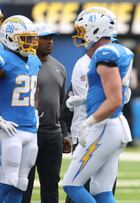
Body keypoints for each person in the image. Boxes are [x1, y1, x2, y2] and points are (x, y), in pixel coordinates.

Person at [62, 7, 133, 202]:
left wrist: (88, 122)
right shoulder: (119, 50)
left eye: (84, 29)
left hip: (103, 125)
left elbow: (115, 99)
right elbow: (112, 93)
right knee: (102, 190)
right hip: (114, 124)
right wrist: (85, 99)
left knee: (71, 185)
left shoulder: (105, 53)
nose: (80, 35)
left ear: (96, 29)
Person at [63, 34, 120, 203]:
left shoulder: (107, 64)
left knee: (79, 186)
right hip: (93, 131)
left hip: (100, 129)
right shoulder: (85, 65)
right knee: (95, 190)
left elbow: (114, 98)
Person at [21, 23, 70, 203]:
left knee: (51, 185)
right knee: (24, 183)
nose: (49, 42)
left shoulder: (60, 68)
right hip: (30, 132)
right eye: (45, 38)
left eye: (51, 38)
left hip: (53, 134)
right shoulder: (24, 65)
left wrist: (65, 133)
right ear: (34, 39)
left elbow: (62, 105)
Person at [0, 15, 40, 203]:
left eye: (31, 38)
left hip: (30, 127)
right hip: (9, 127)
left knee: (22, 183)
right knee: (8, 180)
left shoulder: (33, 61)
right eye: (24, 38)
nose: (30, 43)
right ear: (9, 38)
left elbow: (34, 90)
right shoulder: (3, 59)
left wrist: (34, 109)